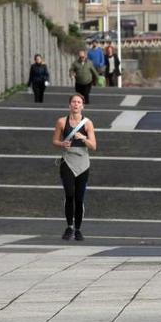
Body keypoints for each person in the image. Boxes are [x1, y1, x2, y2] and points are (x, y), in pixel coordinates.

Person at [52, 93, 97, 241]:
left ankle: (78, 229)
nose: (76, 104)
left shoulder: (88, 123)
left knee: (79, 197)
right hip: (67, 161)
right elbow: (54, 141)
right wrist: (62, 144)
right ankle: (69, 226)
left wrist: (83, 138)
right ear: (69, 105)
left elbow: (94, 146)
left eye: (79, 102)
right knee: (69, 194)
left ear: (82, 106)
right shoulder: (61, 122)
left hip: (83, 163)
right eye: (73, 102)